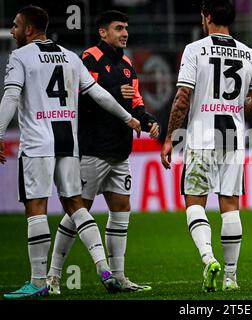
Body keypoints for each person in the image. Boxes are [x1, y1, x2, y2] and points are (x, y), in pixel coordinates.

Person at [0, 5, 141, 299]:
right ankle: (105, 269)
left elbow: (11, 96)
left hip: (38, 142)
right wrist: (127, 117)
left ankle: (39, 282)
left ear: (28, 29)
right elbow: (99, 93)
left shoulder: (20, 56)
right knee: (76, 205)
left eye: (15, 25)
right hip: (68, 142)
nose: (12, 31)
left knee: (36, 208)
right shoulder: (69, 56)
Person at [46, 10, 159, 294]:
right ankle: (53, 276)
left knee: (121, 210)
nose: (125, 33)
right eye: (119, 28)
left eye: (126, 28)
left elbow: (136, 103)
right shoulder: (89, 59)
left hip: (120, 153)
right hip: (92, 150)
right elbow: (81, 98)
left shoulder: (127, 65)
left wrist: (148, 121)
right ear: (102, 32)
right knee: (76, 212)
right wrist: (116, 95)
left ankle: (119, 277)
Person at [160, 0, 252, 292]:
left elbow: (182, 98)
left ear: (207, 17)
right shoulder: (249, 54)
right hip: (232, 136)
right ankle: (231, 278)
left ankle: (208, 259)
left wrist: (169, 137)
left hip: (201, 135)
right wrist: (234, 104)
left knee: (195, 201)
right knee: (230, 206)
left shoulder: (195, 50)